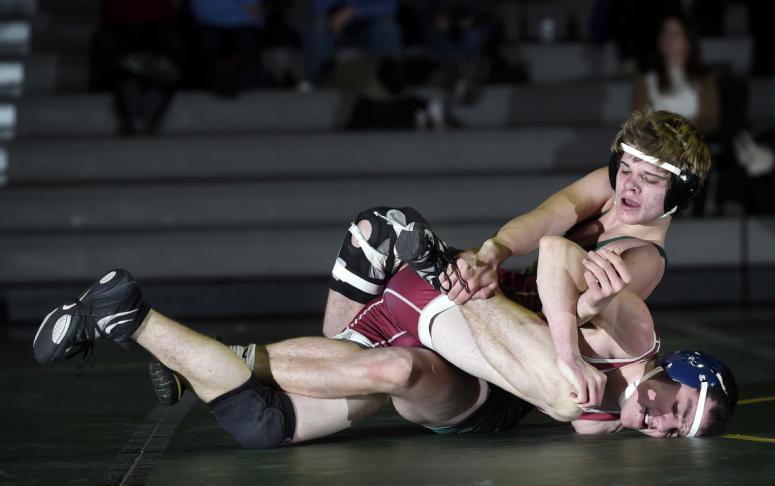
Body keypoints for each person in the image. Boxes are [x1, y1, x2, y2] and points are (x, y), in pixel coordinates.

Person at [31, 209, 736, 448]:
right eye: (677, 408)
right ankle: (409, 253)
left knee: (266, 428)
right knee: (562, 394)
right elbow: (553, 250)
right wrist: (565, 345)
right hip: (455, 312)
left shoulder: (621, 404)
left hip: (457, 361)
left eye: (680, 430)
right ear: (680, 370)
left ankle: (130, 318)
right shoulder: (636, 336)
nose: (665, 424)